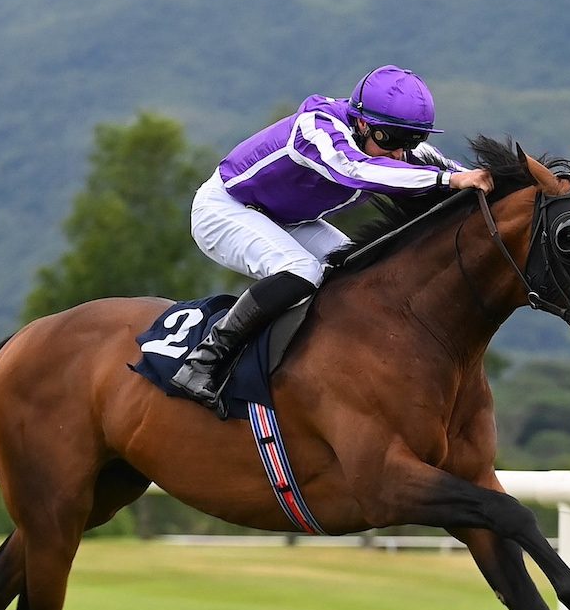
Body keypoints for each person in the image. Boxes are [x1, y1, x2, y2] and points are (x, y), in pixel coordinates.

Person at [169, 64, 494, 410]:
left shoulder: (392, 141)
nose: (402, 153)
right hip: (226, 208)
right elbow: (355, 169)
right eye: (395, 141)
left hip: (290, 218)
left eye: (412, 141)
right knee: (303, 271)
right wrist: (446, 182)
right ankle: (204, 361)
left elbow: (460, 174)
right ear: (364, 123)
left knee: (357, 271)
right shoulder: (316, 127)